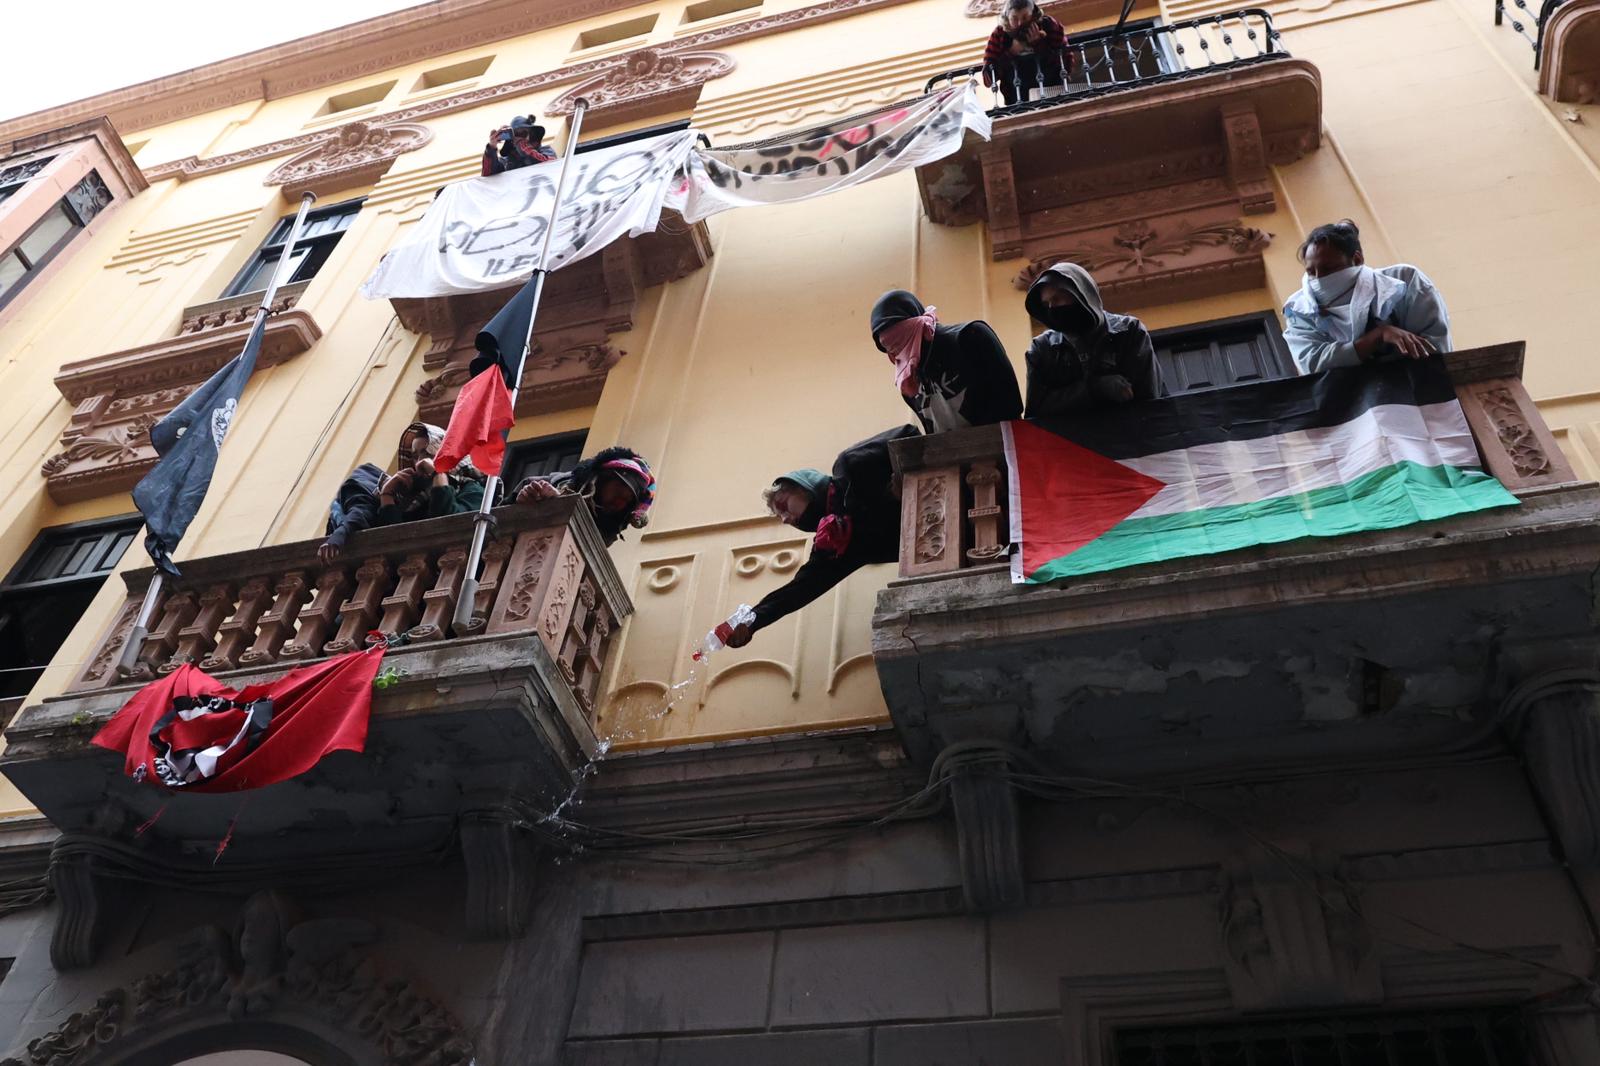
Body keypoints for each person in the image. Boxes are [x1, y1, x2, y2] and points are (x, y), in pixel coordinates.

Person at [724, 426, 919, 648]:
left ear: (803, 487)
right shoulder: (834, 547)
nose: (786, 520)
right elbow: (799, 590)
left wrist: (906, 479)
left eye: (783, 506)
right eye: (782, 518)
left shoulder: (851, 467)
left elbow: (910, 434)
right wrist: (752, 621)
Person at [1282, 219, 1452, 375]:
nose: (1319, 279)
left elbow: (1433, 347)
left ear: (1357, 260)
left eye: (1328, 269)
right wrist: (1379, 336)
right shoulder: (1299, 310)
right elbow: (1313, 363)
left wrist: (1346, 355)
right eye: (1311, 272)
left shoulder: (1402, 280)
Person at [318, 423, 488, 563]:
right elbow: (391, 539)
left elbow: (446, 524)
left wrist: (439, 473)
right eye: (414, 456)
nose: (419, 461)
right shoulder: (411, 499)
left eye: (426, 452)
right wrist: (387, 496)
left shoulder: (473, 490)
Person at [870, 290, 1023, 435]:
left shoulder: (970, 338)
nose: (894, 351)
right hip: (952, 458)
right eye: (887, 346)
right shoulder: (908, 382)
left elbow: (1010, 405)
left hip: (1004, 450)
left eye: (898, 339)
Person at [1023, 261, 1161, 417]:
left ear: (1080, 294)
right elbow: (1036, 411)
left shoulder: (1129, 331)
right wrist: (1096, 388)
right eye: (1046, 303)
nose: (1052, 308)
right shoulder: (1042, 349)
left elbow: (1148, 398)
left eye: (1058, 298)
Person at [513, 446, 655, 547]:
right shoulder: (546, 483)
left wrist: (560, 503)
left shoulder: (607, 531)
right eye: (618, 491)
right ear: (602, 480)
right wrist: (520, 505)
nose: (618, 502)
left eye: (626, 500)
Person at [983, 0, 1070, 107]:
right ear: (1007, 18)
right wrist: (1010, 52)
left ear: (1033, 14)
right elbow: (988, 78)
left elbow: (1066, 62)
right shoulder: (999, 35)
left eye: (1025, 17)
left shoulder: (1049, 25)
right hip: (1017, 100)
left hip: (1054, 94)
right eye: (1014, 19)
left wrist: (1039, 45)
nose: (1020, 23)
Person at [482, 115, 555, 176]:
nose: (519, 138)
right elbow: (488, 177)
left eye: (523, 133)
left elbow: (551, 166)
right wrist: (492, 147)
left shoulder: (547, 151)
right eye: (516, 134)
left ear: (531, 135)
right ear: (511, 138)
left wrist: (523, 147)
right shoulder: (505, 162)